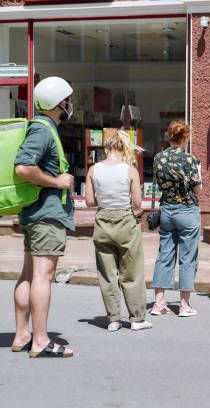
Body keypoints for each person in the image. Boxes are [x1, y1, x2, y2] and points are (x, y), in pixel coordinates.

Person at [12, 76, 75, 357]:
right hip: (46, 215)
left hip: (34, 213)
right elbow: (23, 167)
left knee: (28, 274)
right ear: (59, 103)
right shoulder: (43, 131)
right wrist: (57, 181)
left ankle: (23, 335)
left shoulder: (42, 127)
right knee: (42, 276)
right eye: (68, 100)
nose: (70, 104)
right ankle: (40, 340)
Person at [85, 130, 152, 332]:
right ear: (124, 149)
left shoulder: (92, 170)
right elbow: (138, 203)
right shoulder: (130, 171)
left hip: (103, 220)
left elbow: (89, 202)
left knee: (107, 274)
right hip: (125, 221)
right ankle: (137, 319)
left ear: (105, 149)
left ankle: (114, 319)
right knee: (131, 272)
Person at [150, 120, 202, 317]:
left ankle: (158, 303)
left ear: (169, 136)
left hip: (167, 211)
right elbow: (197, 189)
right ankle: (184, 305)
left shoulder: (158, 158)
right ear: (185, 137)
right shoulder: (189, 159)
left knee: (164, 255)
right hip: (186, 210)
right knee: (188, 258)